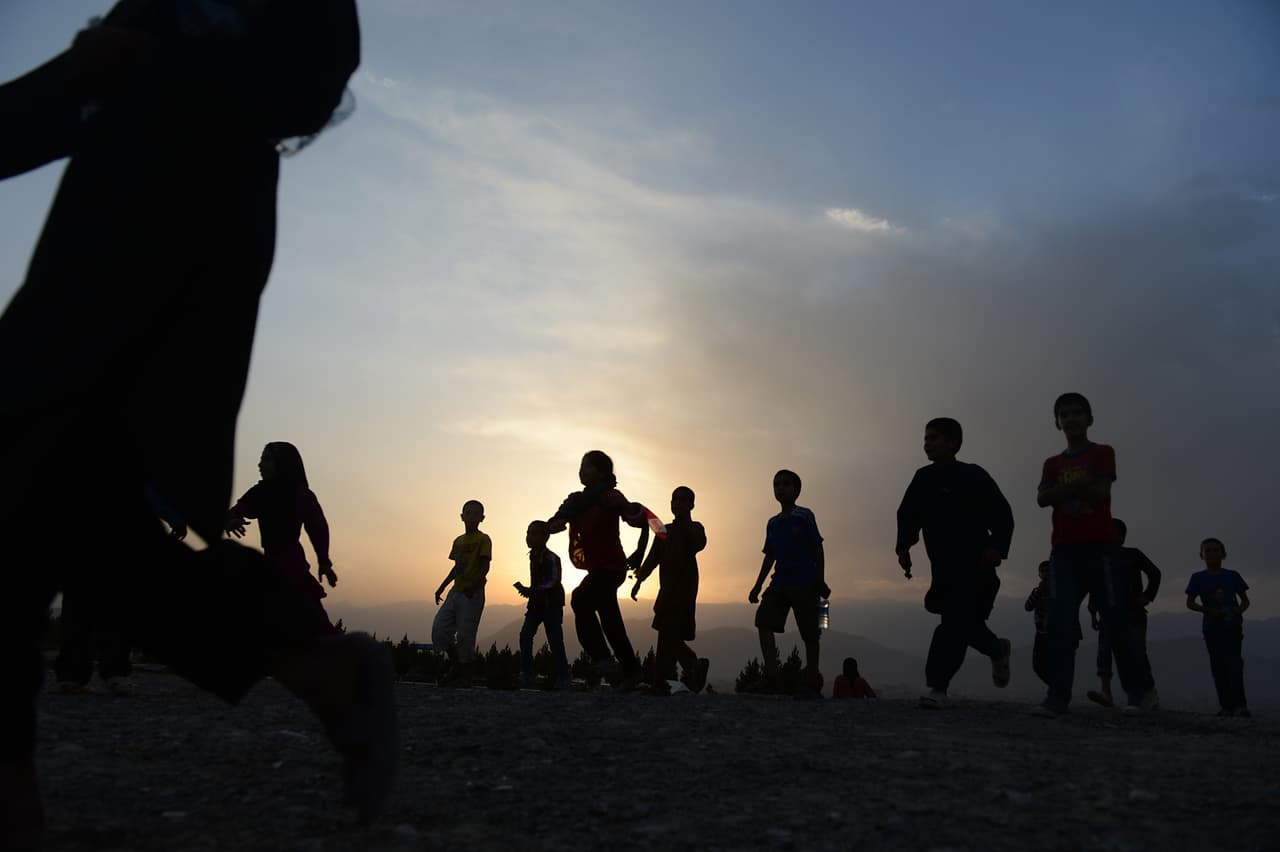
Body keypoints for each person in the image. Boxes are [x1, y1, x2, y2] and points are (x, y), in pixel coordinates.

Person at [0, 3, 396, 845]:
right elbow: (75, 85)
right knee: (84, 519)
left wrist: (144, 67)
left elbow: (305, 87)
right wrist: (102, 70)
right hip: (89, 242)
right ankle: (319, 667)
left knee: (35, 479)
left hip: (176, 254)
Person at [1033, 393, 1157, 716]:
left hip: (1101, 548)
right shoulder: (1052, 463)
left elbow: (1101, 492)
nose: (1071, 418)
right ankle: (1057, 697)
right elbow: (1041, 499)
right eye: (1064, 414)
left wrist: (1060, 492)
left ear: (1090, 419)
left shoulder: (1102, 453)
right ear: (1056, 422)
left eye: (1077, 412)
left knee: (1116, 621)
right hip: (1063, 551)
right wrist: (1078, 486)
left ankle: (1140, 693)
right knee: (1060, 624)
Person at [896, 418, 1014, 709]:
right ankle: (996, 649)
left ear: (954, 443)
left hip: (977, 566)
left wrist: (997, 546)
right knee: (964, 623)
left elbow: (1001, 512)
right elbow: (908, 514)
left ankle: (938, 687)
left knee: (953, 623)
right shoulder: (923, 479)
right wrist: (904, 547)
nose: (927, 443)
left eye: (934, 438)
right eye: (925, 438)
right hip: (944, 569)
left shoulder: (973, 476)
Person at [547, 450, 648, 690]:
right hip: (597, 569)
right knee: (611, 621)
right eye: (581, 466)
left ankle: (603, 659)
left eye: (587, 466)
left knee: (581, 600)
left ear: (602, 472)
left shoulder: (610, 497)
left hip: (612, 567)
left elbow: (635, 518)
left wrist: (632, 509)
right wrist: (554, 525)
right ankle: (631, 671)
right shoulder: (575, 502)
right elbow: (554, 522)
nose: (581, 470)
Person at [228, 442, 341, 636]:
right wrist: (231, 520)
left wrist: (324, 561)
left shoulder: (301, 495)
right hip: (269, 565)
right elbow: (237, 511)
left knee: (315, 624)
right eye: (262, 459)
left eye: (266, 459)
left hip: (292, 566)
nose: (260, 465)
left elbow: (318, 527)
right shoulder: (260, 492)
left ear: (283, 463)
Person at [748, 469, 829, 697]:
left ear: (797, 489)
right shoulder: (772, 523)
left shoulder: (805, 516)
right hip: (779, 582)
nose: (780, 488)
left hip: (805, 582)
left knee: (811, 632)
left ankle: (812, 679)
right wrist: (757, 585)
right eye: (776, 484)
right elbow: (769, 555)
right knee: (763, 622)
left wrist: (820, 579)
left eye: (785, 484)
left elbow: (818, 547)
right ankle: (772, 677)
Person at [631, 486, 710, 694]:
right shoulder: (665, 530)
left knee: (667, 630)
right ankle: (691, 666)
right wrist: (639, 580)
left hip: (684, 588)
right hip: (666, 588)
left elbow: (698, 543)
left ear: (692, 505)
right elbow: (653, 557)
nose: (677, 504)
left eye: (683, 500)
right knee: (667, 631)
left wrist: (685, 523)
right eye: (674, 499)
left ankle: (662, 679)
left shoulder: (695, 528)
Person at [1085, 518, 1161, 708]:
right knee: (1104, 651)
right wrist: (1093, 612)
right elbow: (1095, 585)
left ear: (1120, 535)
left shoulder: (1132, 555)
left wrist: (1147, 596)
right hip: (1108, 613)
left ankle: (1146, 693)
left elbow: (1155, 573)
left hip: (1133, 612)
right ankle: (1106, 691)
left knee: (1135, 653)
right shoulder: (1098, 557)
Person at [1185, 537, 1251, 717]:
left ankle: (1240, 705)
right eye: (1208, 551)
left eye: (1216, 550)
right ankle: (1226, 706)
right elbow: (1190, 602)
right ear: (1202, 555)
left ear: (1223, 553)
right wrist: (1207, 610)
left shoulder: (1233, 576)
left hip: (1232, 626)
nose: (1212, 554)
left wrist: (1239, 610)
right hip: (1211, 628)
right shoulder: (1197, 578)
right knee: (1218, 667)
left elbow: (1245, 600)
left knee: (1234, 665)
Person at [432, 500, 492, 687]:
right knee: (439, 629)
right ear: (462, 516)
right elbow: (456, 567)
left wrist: (473, 585)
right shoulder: (458, 541)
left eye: (476, 513)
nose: (472, 516)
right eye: (468, 513)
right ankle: (456, 664)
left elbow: (485, 566)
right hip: (455, 592)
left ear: (482, 518)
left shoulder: (484, 539)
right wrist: (442, 586)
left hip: (472, 594)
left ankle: (465, 675)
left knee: (466, 634)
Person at [515, 520, 570, 689]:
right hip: (536, 605)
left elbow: (553, 581)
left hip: (551, 605)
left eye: (533, 533)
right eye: (528, 533)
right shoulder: (533, 555)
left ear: (545, 537)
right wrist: (532, 592)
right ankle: (527, 674)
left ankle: (563, 677)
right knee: (525, 636)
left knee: (555, 641)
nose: (528, 537)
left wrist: (532, 590)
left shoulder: (551, 558)